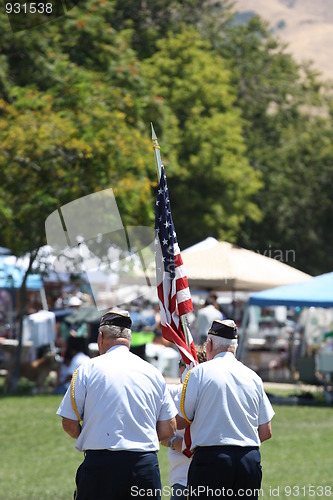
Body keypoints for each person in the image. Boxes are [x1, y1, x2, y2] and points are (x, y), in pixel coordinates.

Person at [56, 308, 177, 500]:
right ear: (128, 338)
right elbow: (169, 427)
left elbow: (68, 422)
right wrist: (138, 435)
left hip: (100, 466)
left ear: (101, 337)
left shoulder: (86, 369)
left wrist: (90, 435)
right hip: (143, 465)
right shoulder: (153, 373)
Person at [175, 319, 274, 500]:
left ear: (210, 344)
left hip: (211, 461)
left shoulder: (198, 373)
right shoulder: (253, 377)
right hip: (248, 460)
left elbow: (182, 420)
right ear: (235, 346)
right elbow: (266, 431)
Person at [161, 346, 206, 500]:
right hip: (198, 476)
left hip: (185, 478)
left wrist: (171, 441)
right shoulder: (180, 391)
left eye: (181, 364)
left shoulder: (182, 393)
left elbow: (193, 447)